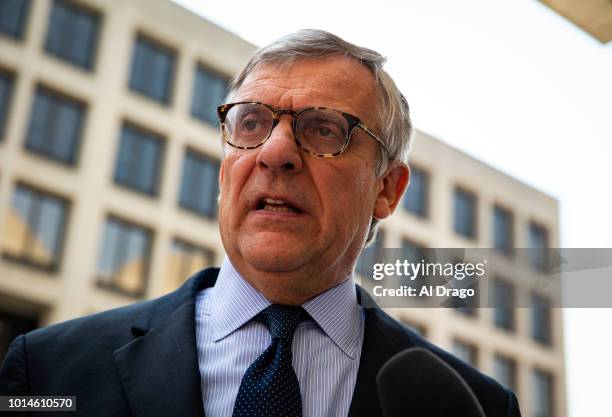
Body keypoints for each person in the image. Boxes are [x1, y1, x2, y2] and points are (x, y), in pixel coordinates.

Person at [0, 29, 520, 417]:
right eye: (251, 123)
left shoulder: (477, 407)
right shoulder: (46, 371)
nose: (275, 153)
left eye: (323, 129)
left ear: (387, 189)